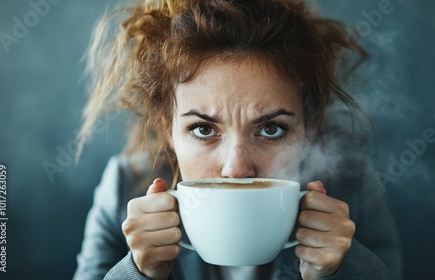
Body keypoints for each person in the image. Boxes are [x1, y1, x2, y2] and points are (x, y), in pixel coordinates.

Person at [73, 0, 401, 279]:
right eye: (203, 129)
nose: (237, 169)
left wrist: (341, 271)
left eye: (271, 129)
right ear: (167, 130)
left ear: (310, 128)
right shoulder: (121, 190)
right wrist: (139, 273)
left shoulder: (354, 190)